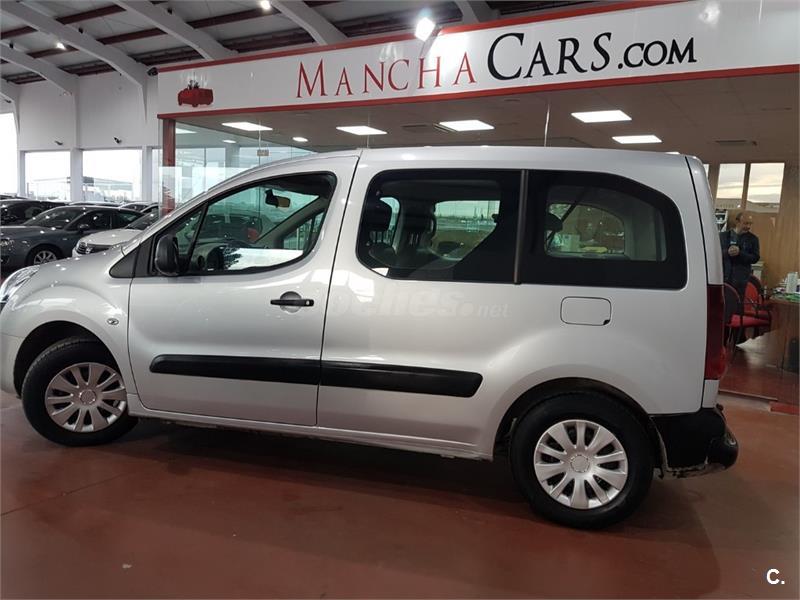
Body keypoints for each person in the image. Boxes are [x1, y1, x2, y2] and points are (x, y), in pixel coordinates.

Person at [720, 212, 760, 302]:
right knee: (722, 302)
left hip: (741, 279)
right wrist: (727, 252)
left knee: (738, 304)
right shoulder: (723, 236)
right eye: (746, 223)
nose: (748, 226)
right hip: (723, 277)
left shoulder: (753, 239)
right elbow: (715, 254)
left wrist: (740, 253)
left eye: (750, 224)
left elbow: (755, 258)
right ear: (737, 222)